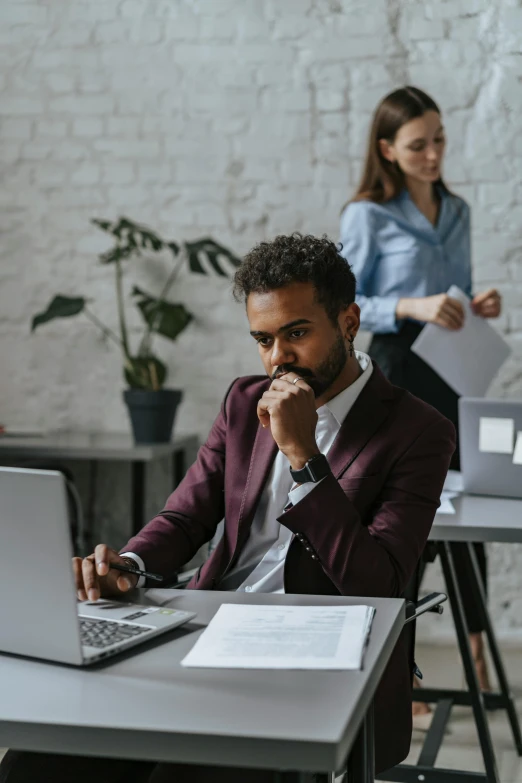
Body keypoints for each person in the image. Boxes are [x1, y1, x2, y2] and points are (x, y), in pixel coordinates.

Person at [0, 233, 455, 783]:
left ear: (349, 322)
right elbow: (185, 517)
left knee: (179, 774)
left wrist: (305, 456)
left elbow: (379, 585)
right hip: (206, 631)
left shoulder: (418, 431)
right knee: (39, 756)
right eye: (263, 339)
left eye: (298, 333)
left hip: (314, 663)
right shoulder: (244, 401)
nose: (278, 358)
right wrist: (128, 565)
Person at [339, 86, 502, 723]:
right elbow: (348, 307)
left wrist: (472, 302)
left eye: (439, 140)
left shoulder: (456, 209)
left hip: (453, 364)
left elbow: (451, 291)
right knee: (405, 516)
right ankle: (395, 680)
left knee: (468, 509)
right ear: (387, 149)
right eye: (418, 144)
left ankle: (479, 663)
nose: (433, 153)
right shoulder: (367, 215)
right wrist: (412, 305)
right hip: (399, 370)